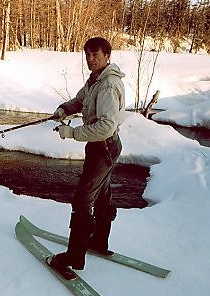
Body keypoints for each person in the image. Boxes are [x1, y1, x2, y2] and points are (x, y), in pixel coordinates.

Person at [47, 37, 125, 278]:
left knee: (82, 200)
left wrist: (71, 133)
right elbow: (80, 100)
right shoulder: (95, 80)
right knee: (102, 195)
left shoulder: (108, 85)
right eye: (88, 55)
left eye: (96, 55)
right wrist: (64, 109)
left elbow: (106, 127)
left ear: (107, 55)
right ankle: (99, 241)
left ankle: (72, 258)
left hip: (104, 146)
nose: (91, 59)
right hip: (101, 147)